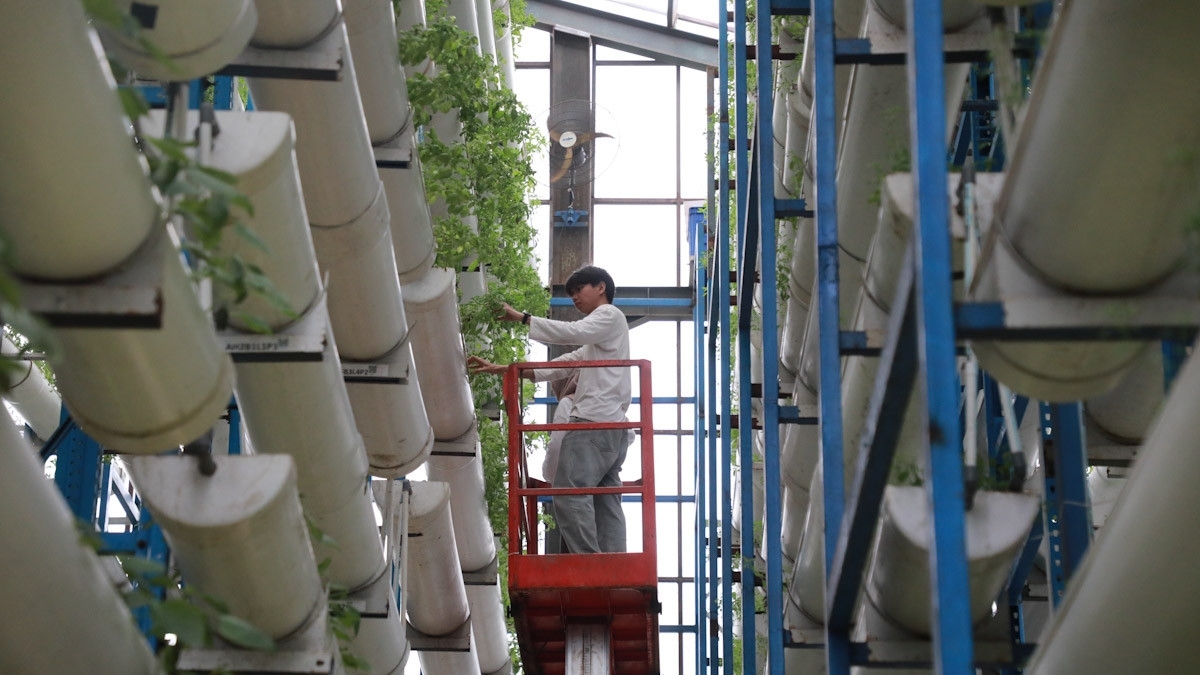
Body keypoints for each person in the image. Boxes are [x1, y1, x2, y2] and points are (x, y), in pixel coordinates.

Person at [468, 265, 631, 553]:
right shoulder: (601, 341)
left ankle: (589, 562)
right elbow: (561, 365)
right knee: (607, 500)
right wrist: (506, 369)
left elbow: (572, 333)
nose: (575, 299)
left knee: (568, 495)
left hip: (592, 423)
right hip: (613, 430)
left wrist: (523, 318)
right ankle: (614, 562)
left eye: (578, 290)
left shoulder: (608, 315)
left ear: (601, 287)